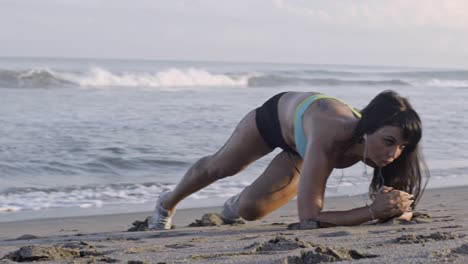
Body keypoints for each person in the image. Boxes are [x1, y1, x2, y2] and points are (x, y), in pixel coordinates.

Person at [148, 90, 429, 230]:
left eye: (403, 146)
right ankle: (167, 202)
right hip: (276, 119)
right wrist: (371, 213)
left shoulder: (386, 150)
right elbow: (309, 218)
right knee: (222, 166)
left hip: (302, 147)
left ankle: (237, 202)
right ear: (366, 131)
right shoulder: (329, 138)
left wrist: (397, 208)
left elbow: (399, 207)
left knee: (250, 210)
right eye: (389, 142)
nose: (394, 154)